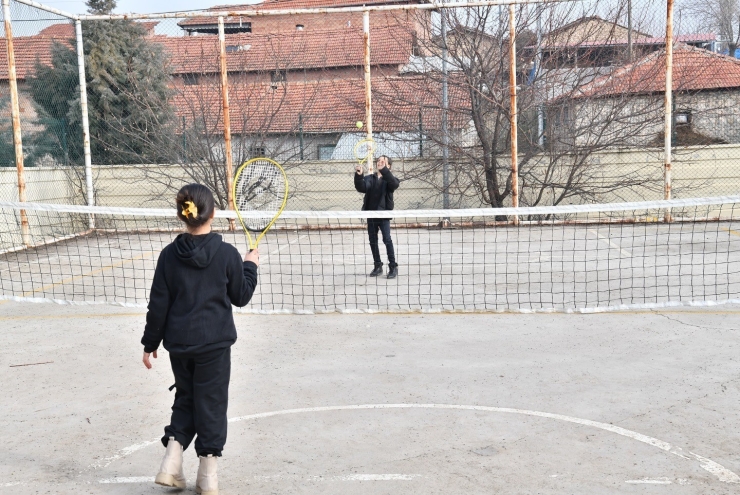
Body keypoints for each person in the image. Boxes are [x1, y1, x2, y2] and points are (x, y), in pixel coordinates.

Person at [141, 183, 259, 495]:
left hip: (179, 345)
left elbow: (158, 304)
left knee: (186, 398)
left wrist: (150, 343)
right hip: (214, 345)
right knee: (211, 403)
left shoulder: (169, 256)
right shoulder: (227, 254)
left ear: (183, 214)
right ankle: (207, 474)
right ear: (213, 214)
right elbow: (241, 296)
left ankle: (172, 460)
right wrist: (251, 267)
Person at [354, 154, 400, 279]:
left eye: (383, 161)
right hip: (371, 215)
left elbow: (394, 185)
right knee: (373, 241)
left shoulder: (391, 179)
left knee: (387, 240)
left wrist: (384, 171)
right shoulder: (370, 178)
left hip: (384, 215)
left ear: (388, 166)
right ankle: (377, 265)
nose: (379, 162)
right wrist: (359, 176)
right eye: (378, 161)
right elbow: (362, 187)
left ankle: (392, 266)